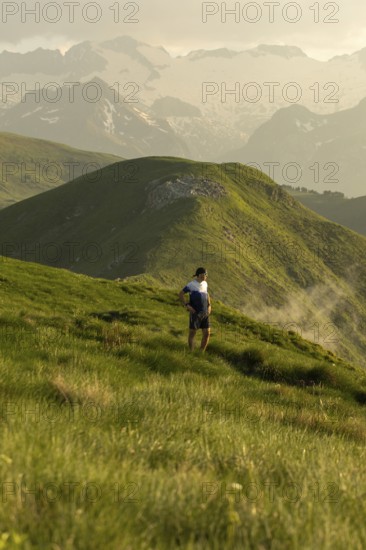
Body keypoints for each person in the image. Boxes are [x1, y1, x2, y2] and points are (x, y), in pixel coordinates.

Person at [178, 267, 212, 352]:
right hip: (195, 313)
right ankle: (192, 352)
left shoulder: (205, 284)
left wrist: (209, 305)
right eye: (205, 274)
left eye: (206, 274)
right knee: (193, 333)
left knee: (207, 333)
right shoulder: (191, 284)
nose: (206, 276)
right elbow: (181, 294)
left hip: (205, 313)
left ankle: (201, 353)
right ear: (199, 275)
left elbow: (207, 294)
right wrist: (187, 305)